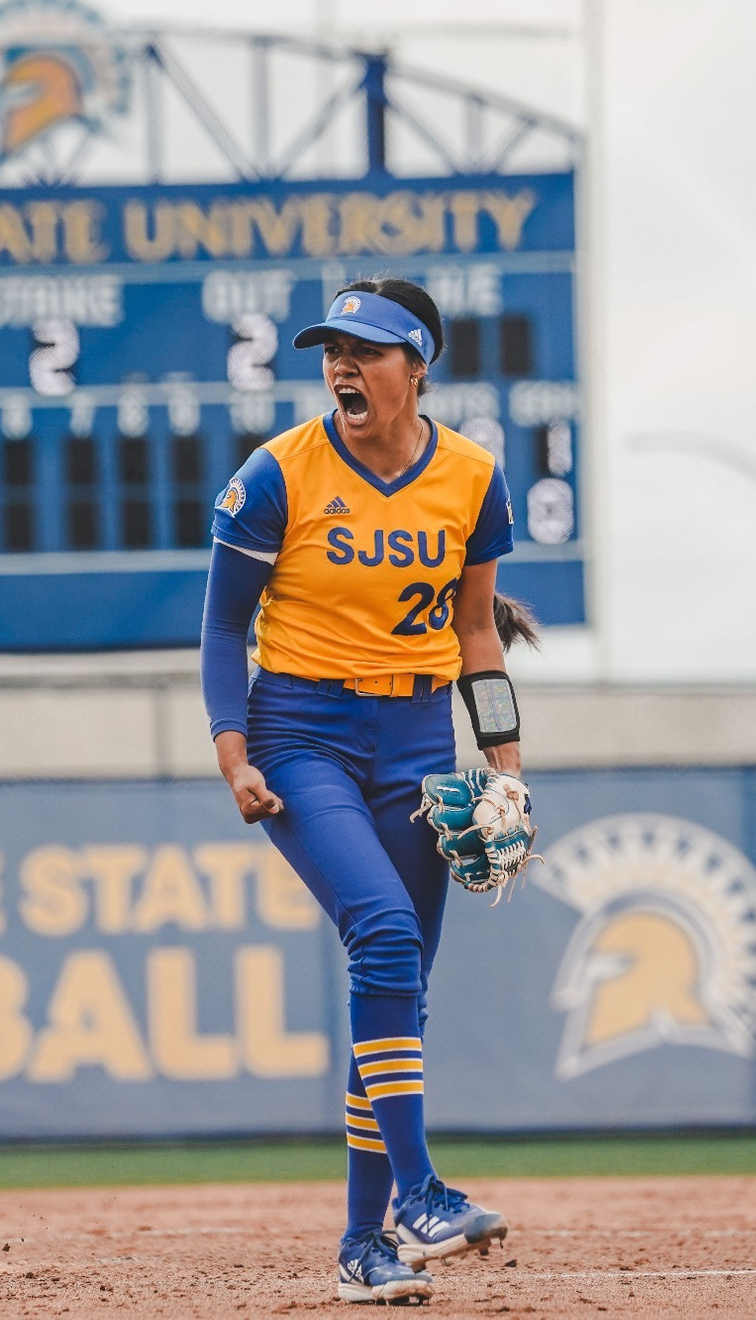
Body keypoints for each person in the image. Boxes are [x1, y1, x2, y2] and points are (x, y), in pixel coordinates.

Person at [200, 276, 539, 1306]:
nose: (343, 364)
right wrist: (234, 753)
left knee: (399, 991)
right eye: (331, 349)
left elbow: (479, 632)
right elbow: (221, 630)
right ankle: (420, 1193)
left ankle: (361, 1246)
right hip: (301, 734)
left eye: (368, 349)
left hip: (416, 735)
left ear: (416, 369)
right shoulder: (278, 475)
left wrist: (507, 768)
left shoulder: (472, 477)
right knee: (384, 938)